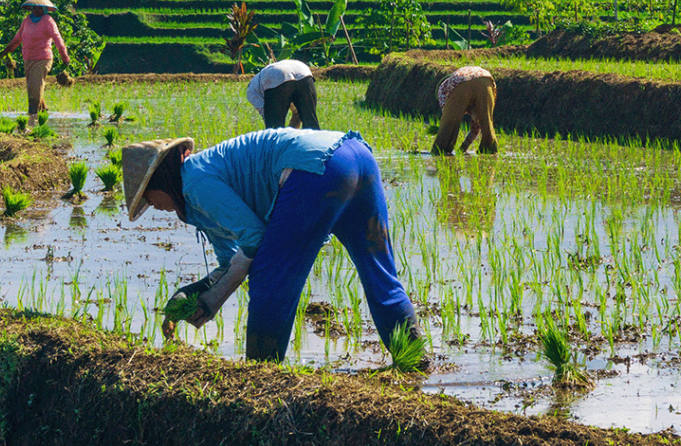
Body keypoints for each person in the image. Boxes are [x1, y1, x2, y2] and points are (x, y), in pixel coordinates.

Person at [122, 128, 421, 363]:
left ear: (160, 181)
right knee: (379, 273)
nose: (153, 205)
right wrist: (192, 294)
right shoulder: (197, 190)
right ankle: (414, 364)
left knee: (268, 277)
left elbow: (254, 239)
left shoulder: (194, 182)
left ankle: (261, 378)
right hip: (355, 155)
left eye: (148, 197)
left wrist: (213, 300)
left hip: (315, 170)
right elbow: (231, 263)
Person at [2, 0, 71, 124]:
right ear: (31, 8)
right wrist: (7, 50)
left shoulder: (48, 21)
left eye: (40, 8)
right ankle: (43, 115)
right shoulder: (27, 20)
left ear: (45, 9)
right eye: (35, 8)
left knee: (35, 89)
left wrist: (64, 57)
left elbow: (58, 39)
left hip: (42, 59)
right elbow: (18, 38)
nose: (37, 10)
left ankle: (31, 117)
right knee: (34, 89)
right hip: (28, 59)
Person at [431, 65, 498, 156]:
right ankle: (490, 150)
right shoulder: (450, 83)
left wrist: (443, 129)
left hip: (461, 81)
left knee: (448, 125)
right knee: (487, 123)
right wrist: (462, 149)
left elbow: (448, 118)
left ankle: (440, 151)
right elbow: (476, 128)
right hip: (486, 80)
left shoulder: (443, 89)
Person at [245, 59, 319, 129]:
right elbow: (297, 113)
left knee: (274, 127)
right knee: (311, 123)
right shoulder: (259, 82)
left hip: (276, 74)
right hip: (303, 70)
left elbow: (268, 116)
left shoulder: (251, 92)